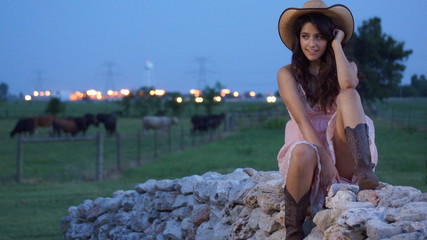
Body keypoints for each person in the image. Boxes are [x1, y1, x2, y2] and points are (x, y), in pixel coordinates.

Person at [276, 0, 380, 239]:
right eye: (305, 36)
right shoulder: (287, 73)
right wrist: (324, 157)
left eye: (320, 37)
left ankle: (365, 173)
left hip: (344, 149)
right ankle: (293, 232)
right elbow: (302, 121)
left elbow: (347, 84)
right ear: (298, 39)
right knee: (304, 150)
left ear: (331, 39)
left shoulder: (346, 66)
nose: (311, 44)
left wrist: (336, 45)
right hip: (308, 152)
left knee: (349, 95)